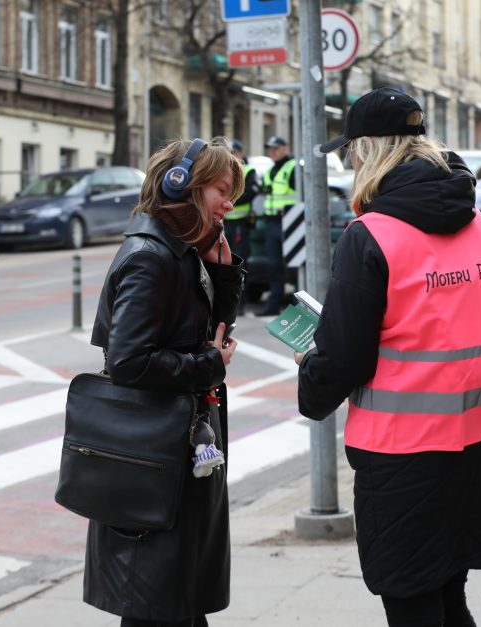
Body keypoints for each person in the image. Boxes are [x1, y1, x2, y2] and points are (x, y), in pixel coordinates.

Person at [296, 87, 481, 627]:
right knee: (449, 597)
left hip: (401, 454)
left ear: (370, 150)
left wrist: (311, 377)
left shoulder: (371, 236)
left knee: (412, 603)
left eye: (351, 149)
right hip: (478, 443)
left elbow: (344, 357)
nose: (348, 160)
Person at [85, 136, 244, 626]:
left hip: (174, 453)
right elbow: (131, 362)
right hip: (152, 459)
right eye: (221, 189)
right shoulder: (149, 257)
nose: (229, 203)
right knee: (156, 604)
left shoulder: (182, 251)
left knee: (177, 600)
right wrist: (209, 366)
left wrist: (223, 278)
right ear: (184, 185)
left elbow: (206, 330)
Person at [259, 135, 297, 316]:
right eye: (270, 148)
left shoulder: (293, 168)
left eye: (275, 148)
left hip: (290, 222)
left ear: (286, 148)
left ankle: (299, 307)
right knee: (274, 266)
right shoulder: (271, 170)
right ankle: (273, 306)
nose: (271, 151)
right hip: (272, 222)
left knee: (294, 266)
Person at [225, 139, 260, 314]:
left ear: (240, 153)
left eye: (233, 152)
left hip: (240, 225)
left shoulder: (248, 171)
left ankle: (240, 304)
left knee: (239, 265)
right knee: (224, 265)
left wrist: (230, 200)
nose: (230, 156)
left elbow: (251, 193)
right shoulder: (224, 170)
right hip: (225, 224)